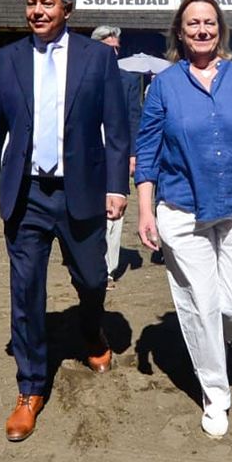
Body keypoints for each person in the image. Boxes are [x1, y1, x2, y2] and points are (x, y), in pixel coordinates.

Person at [0, 0, 129, 442]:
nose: (37, 11)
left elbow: (117, 131)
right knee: (25, 292)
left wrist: (116, 186)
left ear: (67, 9)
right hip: (26, 193)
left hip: (81, 190)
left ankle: (91, 330)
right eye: (31, 3)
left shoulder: (98, 59)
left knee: (91, 278)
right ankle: (30, 387)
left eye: (46, 3)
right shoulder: (6, 60)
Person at [135, 0, 232, 439]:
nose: (201, 30)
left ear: (219, 29)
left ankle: (216, 337)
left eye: (208, 22)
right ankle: (216, 395)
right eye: (192, 24)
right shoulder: (165, 85)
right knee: (200, 305)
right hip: (182, 210)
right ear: (179, 35)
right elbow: (147, 152)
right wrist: (145, 210)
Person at [90, 24, 144, 289]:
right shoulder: (79, 77)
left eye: (116, 49)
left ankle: (108, 269)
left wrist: (133, 154)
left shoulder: (129, 81)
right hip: (85, 155)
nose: (113, 53)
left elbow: (135, 119)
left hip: (117, 155)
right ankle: (87, 260)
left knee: (115, 212)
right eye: (108, 48)